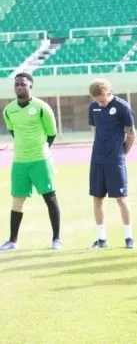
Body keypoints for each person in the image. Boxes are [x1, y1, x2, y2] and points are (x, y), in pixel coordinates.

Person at [0, 72, 62, 251]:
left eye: (23, 84)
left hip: (40, 160)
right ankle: (12, 241)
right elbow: (14, 132)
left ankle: (56, 239)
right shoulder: (8, 110)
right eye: (17, 84)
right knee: (17, 200)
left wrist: (41, 150)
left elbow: (51, 133)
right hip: (19, 162)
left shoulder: (42, 107)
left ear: (30, 86)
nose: (19, 87)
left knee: (50, 197)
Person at [88, 79, 136, 249]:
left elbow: (131, 134)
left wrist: (121, 154)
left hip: (115, 161)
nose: (100, 103)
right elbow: (96, 132)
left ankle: (129, 237)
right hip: (97, 160)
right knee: (97, 198)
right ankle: (101, 239)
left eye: (102, 100)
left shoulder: (122, 107)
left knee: (121, 199)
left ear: (108, 92)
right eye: (97, 100)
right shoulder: (92, 108)